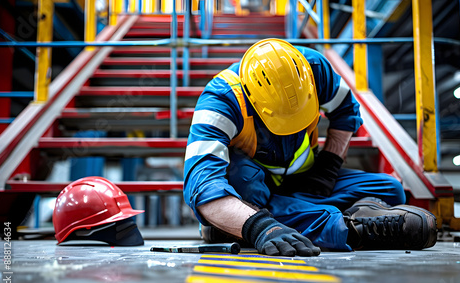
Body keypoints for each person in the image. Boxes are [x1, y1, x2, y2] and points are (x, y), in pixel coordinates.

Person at [183, 38, 437, 256]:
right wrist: (261, 229)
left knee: (391, 189)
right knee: (243, 181)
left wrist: (328, 168)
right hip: (253, 190)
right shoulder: (220, 101)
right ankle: (344, 228)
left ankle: (230, 225)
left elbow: (347, 112)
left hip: (303, 182)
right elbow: (203, 187)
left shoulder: (313, 69)